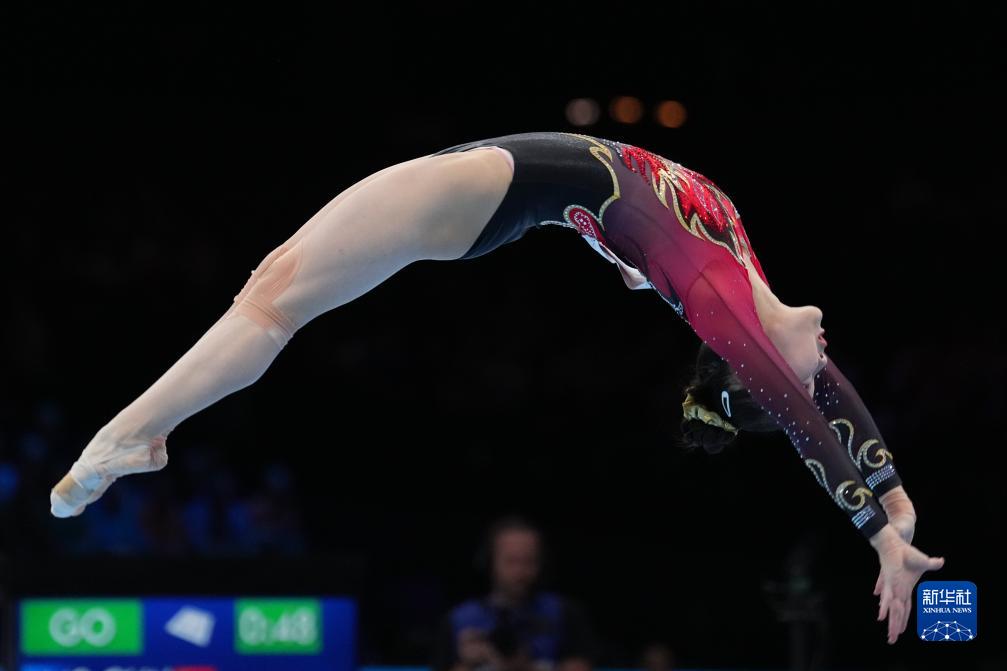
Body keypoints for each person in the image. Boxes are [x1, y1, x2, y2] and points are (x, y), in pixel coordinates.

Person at [49, 131, 944, 645]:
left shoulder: (723, 303)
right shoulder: (749, 283)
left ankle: (128, 438)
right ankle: (139, 435)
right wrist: (895, 506)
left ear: (751, 370)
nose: (826, 364)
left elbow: (804, 418)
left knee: (271, 301)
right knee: (273, 290)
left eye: (802, 376)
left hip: (476, 192)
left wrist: (872, 534)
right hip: (490, 191)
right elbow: (828, 404)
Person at [431, 515, 597, 671]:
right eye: (511, 561)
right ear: (489, 562)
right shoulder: (459, 620)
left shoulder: (564, 613)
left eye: (529, 561)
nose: (520, 572)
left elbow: (582, 665)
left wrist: (528, 666)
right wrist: (467, 663)